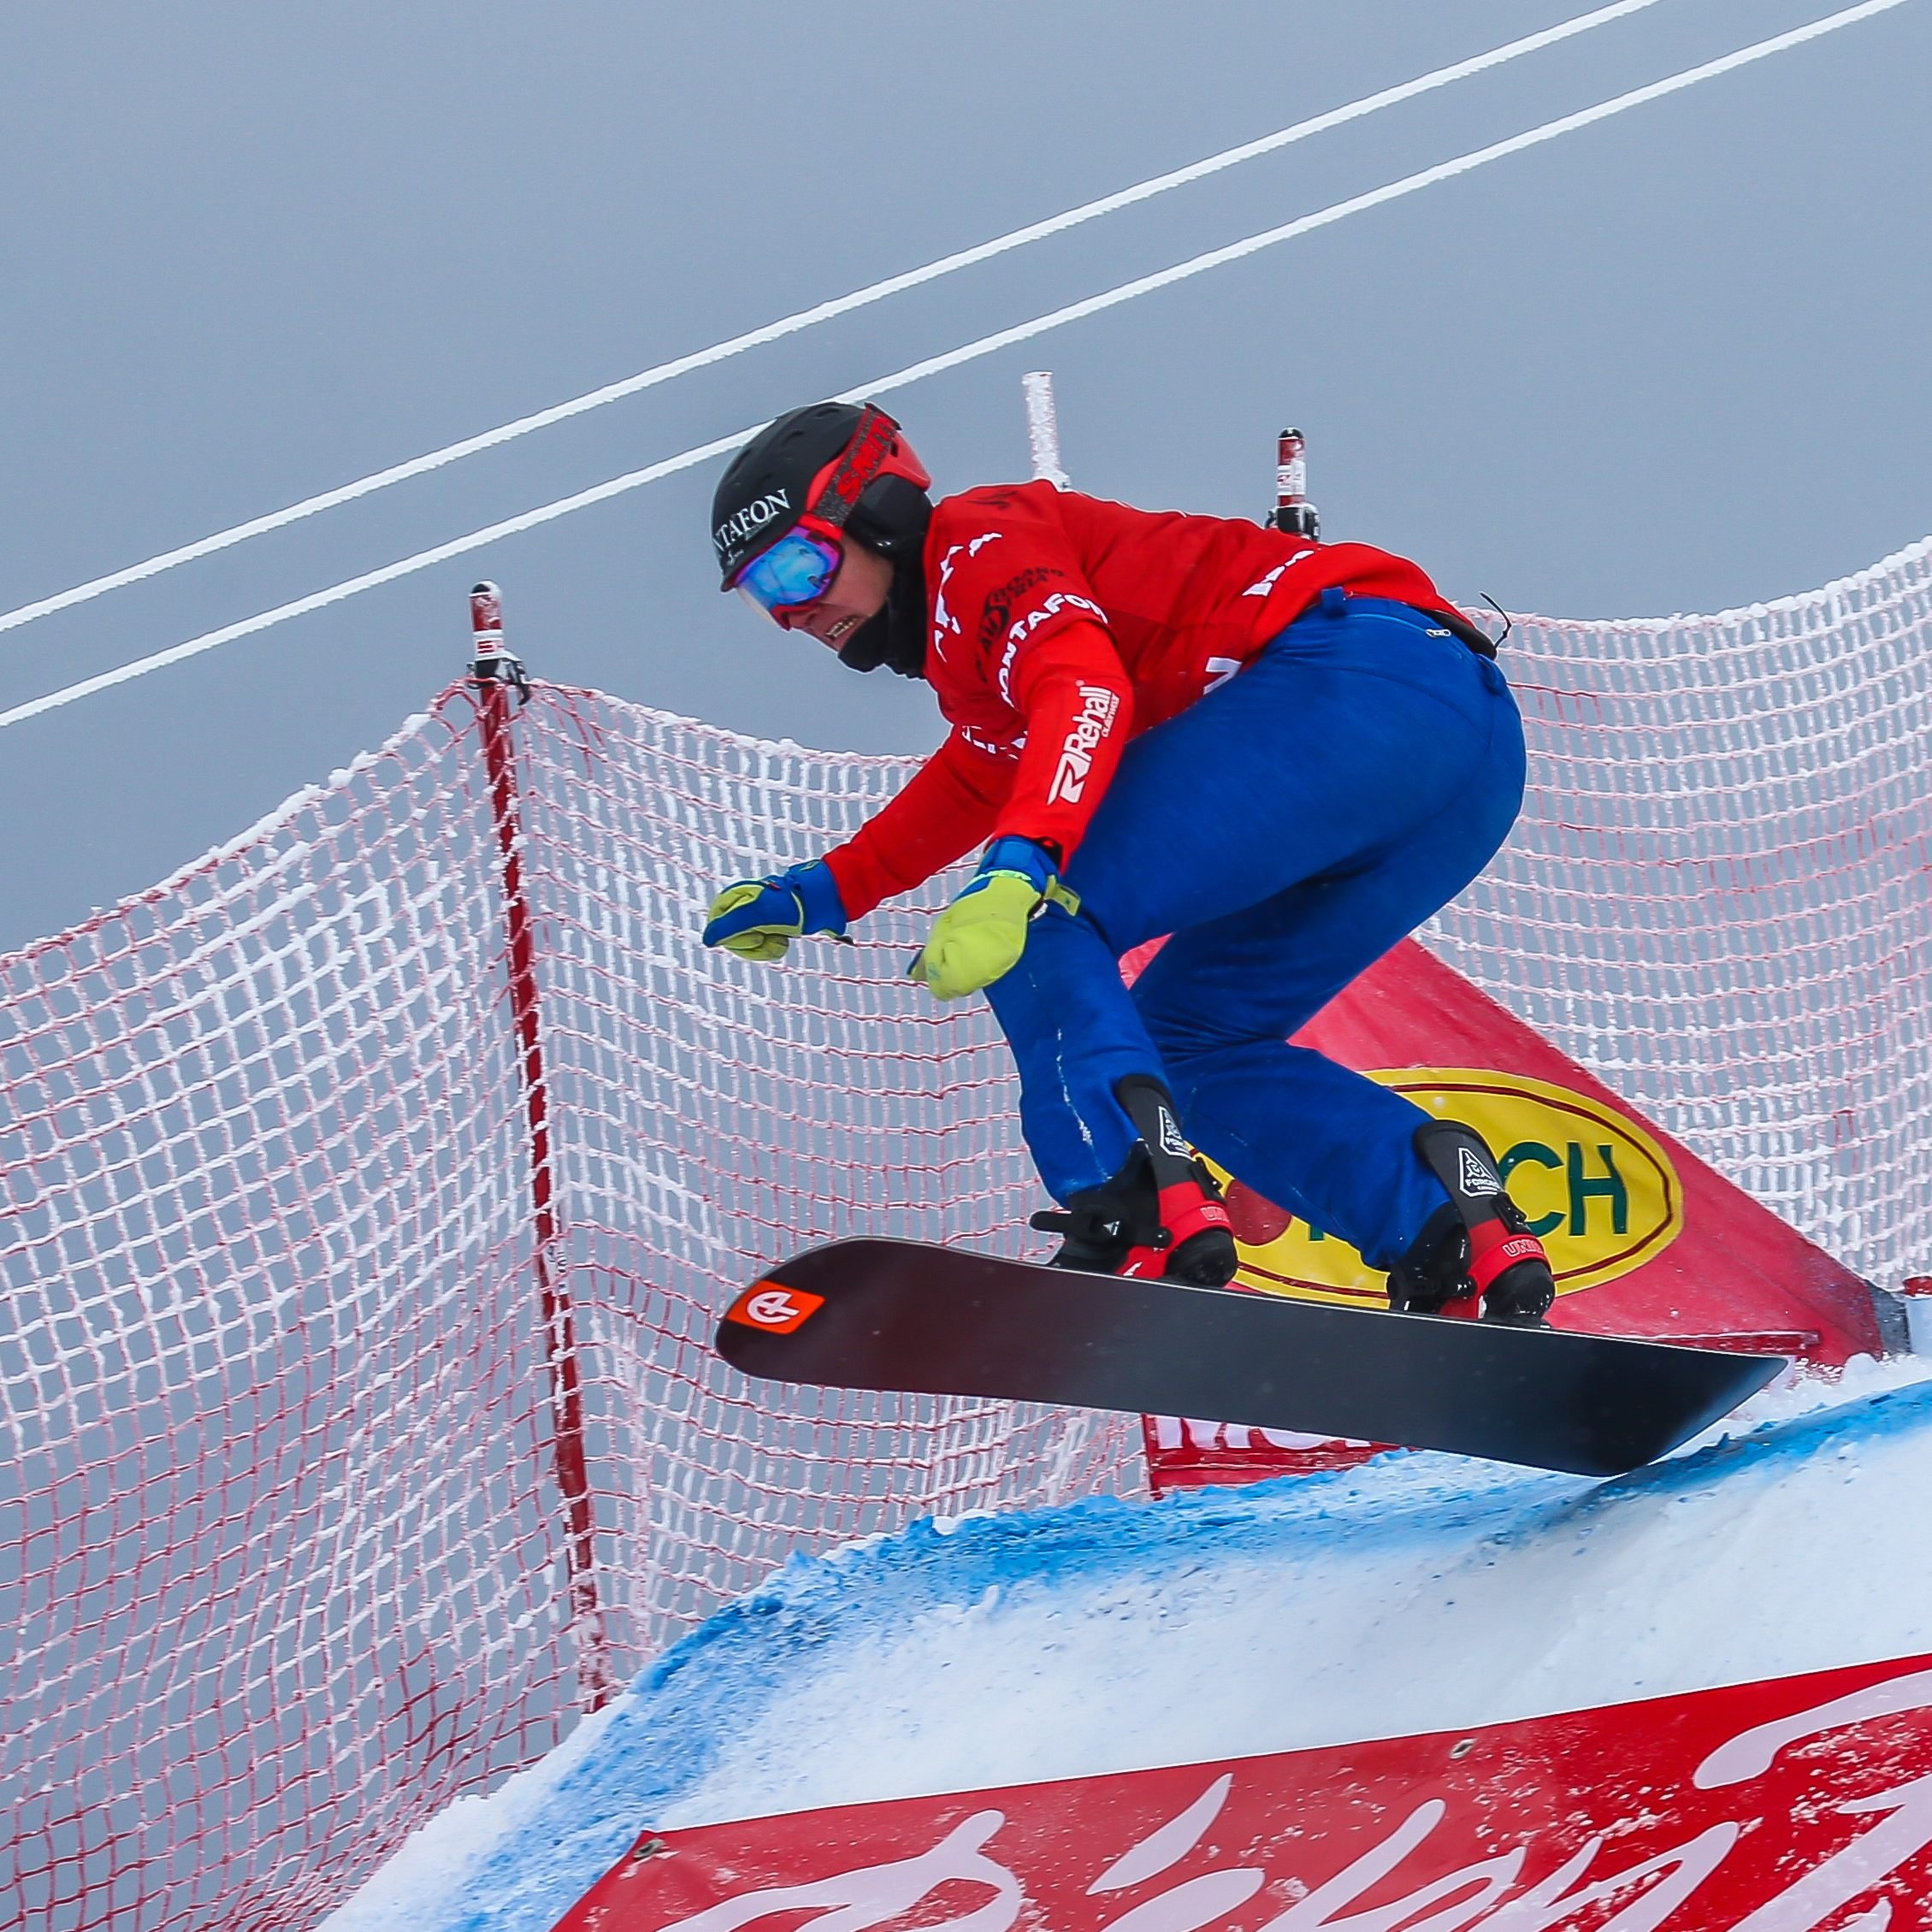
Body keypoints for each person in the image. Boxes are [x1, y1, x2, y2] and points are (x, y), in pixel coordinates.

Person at [700, 400, 1555, 1323]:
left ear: (879, 514)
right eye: (760, 597)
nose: (793, 614)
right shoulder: (966, 641)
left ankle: (1131, 1204)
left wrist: (1021, 870)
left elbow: (1082, 688)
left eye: (798, 567)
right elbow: (980, 770)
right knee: (1189, 1040)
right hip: (1463, 761)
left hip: (1358, 686)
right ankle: (1449, 1228)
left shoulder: (980, 544)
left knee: (1038, 921)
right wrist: (824, 891)